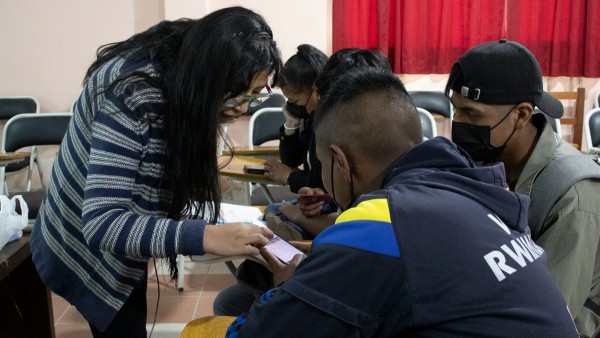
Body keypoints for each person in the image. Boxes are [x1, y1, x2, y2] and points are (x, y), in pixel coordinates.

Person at [225, 67, 578, 337]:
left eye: (323, 164)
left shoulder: (382, 218)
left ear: (341, 162)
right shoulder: (474, 189)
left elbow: (257, 333)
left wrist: (287, 287)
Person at [29, 7, 278, 337]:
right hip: (83, 238)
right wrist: (205, 236)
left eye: (256, 94)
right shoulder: (132, 93)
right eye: (239, 95)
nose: (244, 108)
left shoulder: (190, 64)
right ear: (213, 77)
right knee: (120, 320)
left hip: (124, 233)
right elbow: (102, 224)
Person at [213, 49, 394, 317]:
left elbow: (353, 236)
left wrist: (295, 212)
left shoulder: (387, 192)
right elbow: (345, 224)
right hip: (332, 251)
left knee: (242, 292)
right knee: (236, 293)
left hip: (344, 289)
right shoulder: (354, 154)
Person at [446, 39, 600, 337]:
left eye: (473, 114)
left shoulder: (573, 196)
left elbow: (546, 316)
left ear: (521, 115)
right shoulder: (484, 161)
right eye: (456, 110)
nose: (459, 123)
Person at [263, 44, 328, 193]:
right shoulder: (310, 116)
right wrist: (291, 125)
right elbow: (291, 160)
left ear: (316, 90)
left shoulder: (328, 124)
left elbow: (320, 182)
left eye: (295, 101)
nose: (292, 107)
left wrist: (289, 177)